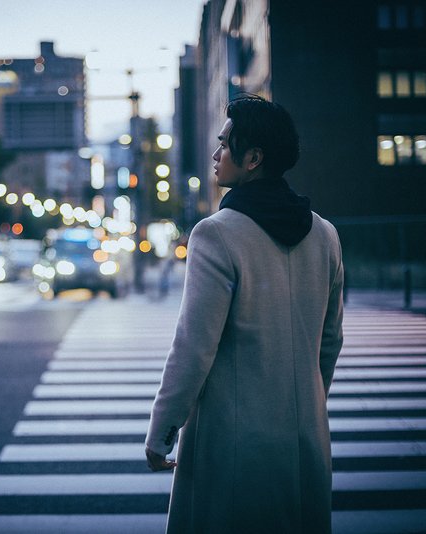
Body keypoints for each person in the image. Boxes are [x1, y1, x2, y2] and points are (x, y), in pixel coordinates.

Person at [145, 94, 344, 533]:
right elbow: (330, 341)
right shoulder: (325, 235)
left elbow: (194, 346)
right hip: (306, 439)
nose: (216, 155)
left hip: (234, 444)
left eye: (224, 144)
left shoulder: (216, 235)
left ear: (253, 159)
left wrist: (162, 431)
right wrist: (308, 404)